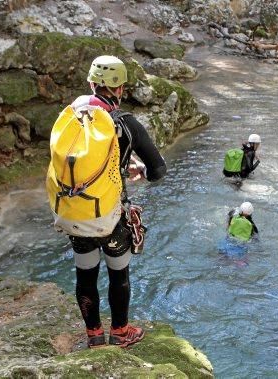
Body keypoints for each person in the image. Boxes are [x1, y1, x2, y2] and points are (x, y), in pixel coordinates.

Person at [68, 56, 167, 349]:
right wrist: (138, 170)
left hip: (77, 211)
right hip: (110, 214)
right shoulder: (125, 123)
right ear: (121, 88)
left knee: (85, 274)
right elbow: (158, 170)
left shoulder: (72, 114)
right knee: (118, 273)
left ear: (91, 83)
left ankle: (94, 336)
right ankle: (121, 331)